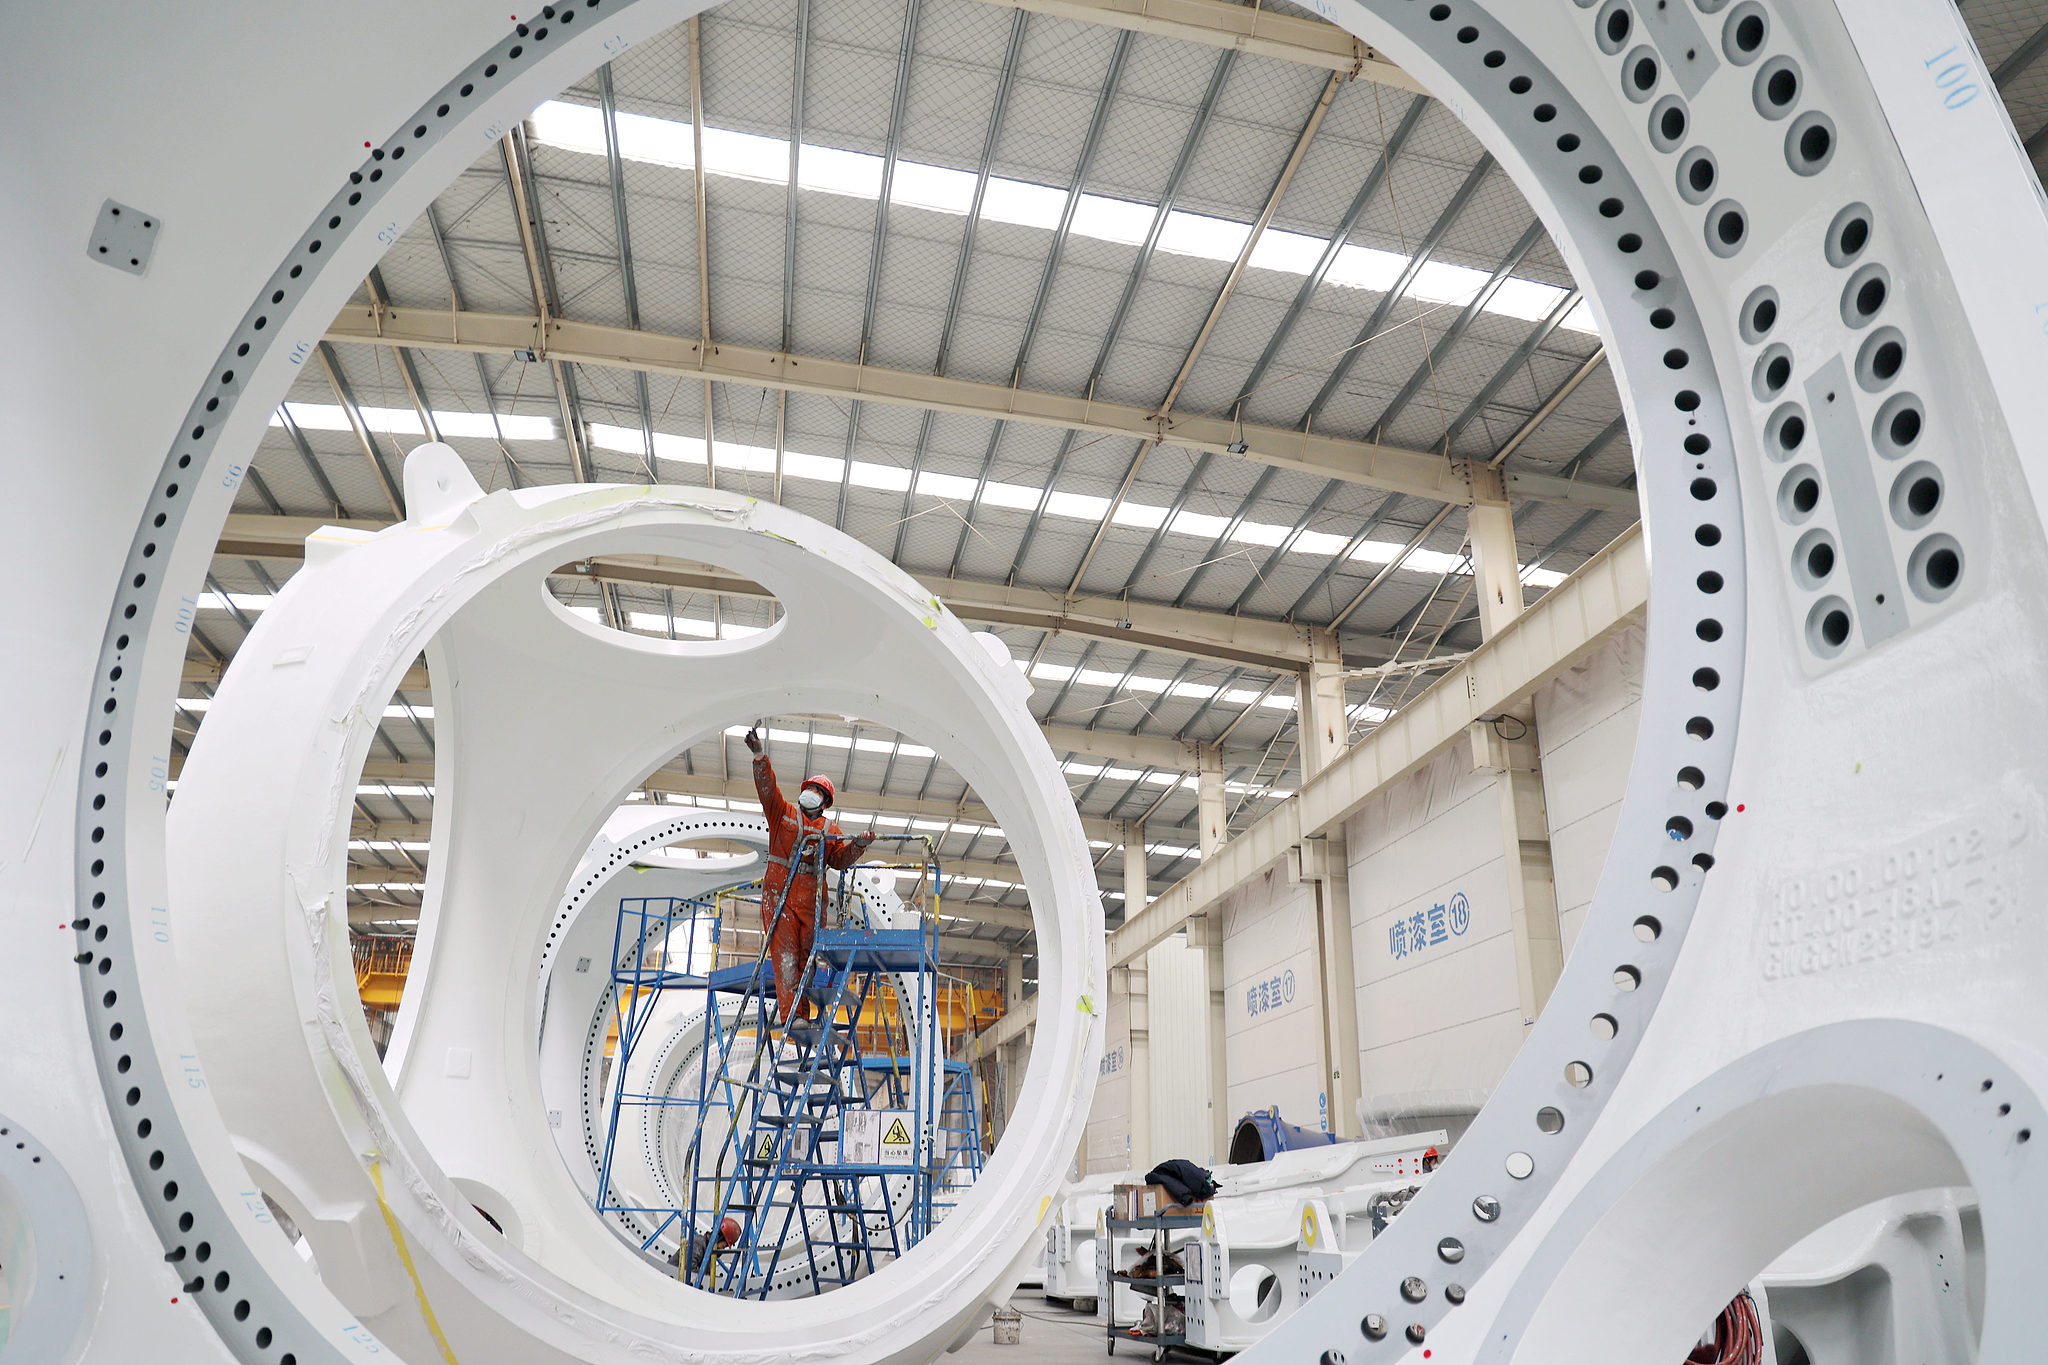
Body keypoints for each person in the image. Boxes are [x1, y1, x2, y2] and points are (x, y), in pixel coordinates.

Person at [745, 725, 874, 1023]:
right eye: (810, 789)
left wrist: (859, 845)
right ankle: (794, 1016)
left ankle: (802, 1012)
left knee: (807, 958)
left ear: (825, 802)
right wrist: (759, 756)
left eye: (817, 792)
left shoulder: (831, 831)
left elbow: (840, 859)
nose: (810, 794)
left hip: (812, 902)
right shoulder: (783, 813)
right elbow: (767, 789)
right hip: (779, 896)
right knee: (786, 956)